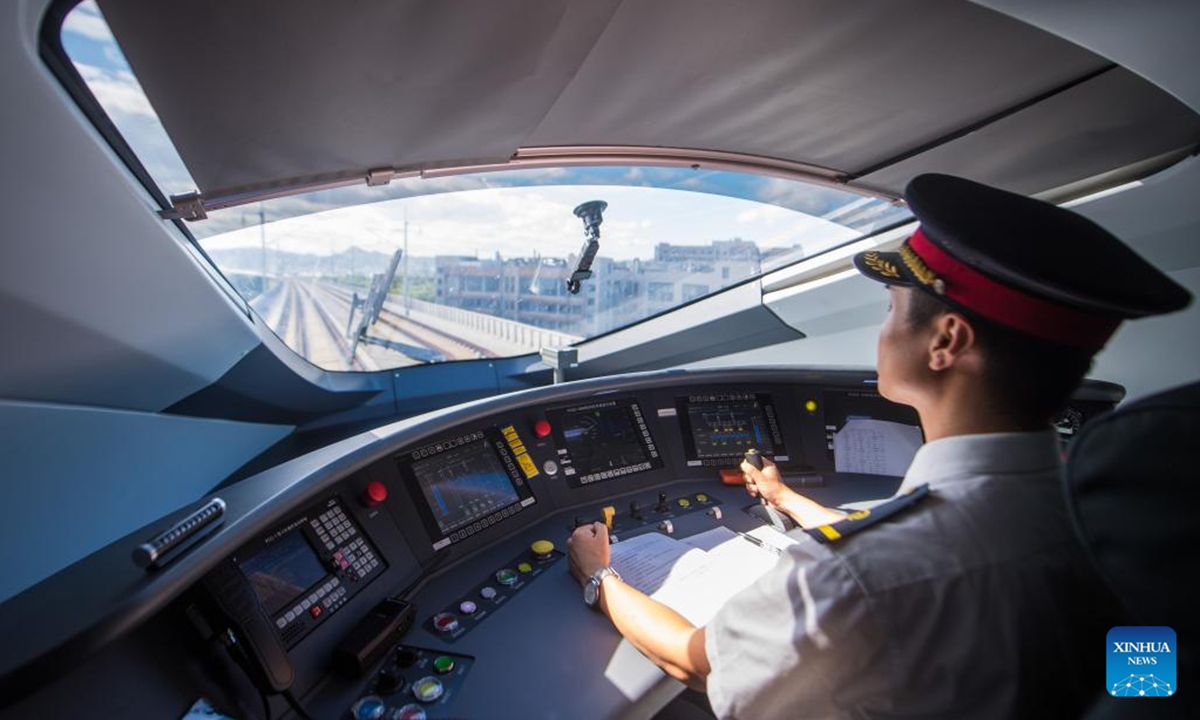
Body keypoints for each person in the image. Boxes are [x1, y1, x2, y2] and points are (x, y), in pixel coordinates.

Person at [567, 173, 1191, 719]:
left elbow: (691, 661)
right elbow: (1140, 683)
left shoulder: (854, 578)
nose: (884, 330)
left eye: (893, 309)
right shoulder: (1122, 525)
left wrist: (601, 574)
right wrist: (789, 499)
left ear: (945, 340)